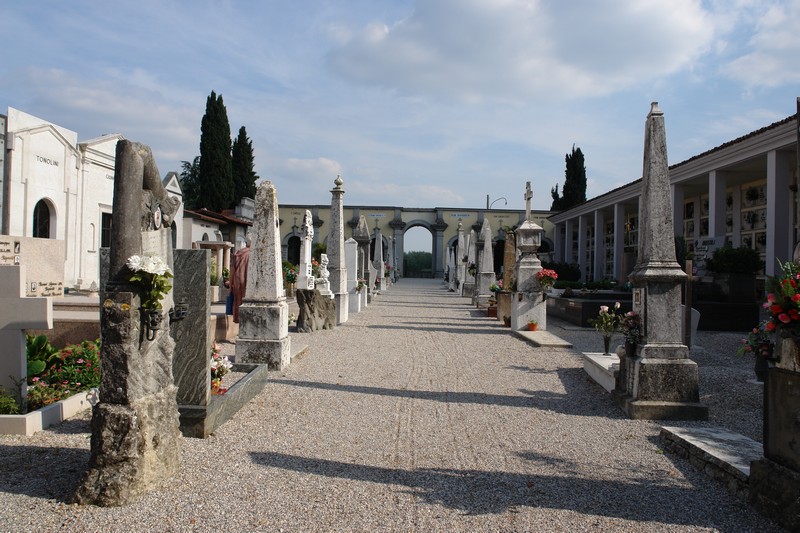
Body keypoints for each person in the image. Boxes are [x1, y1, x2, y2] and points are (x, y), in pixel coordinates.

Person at [229, 235, 251, 323]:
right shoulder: (255, 255)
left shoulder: (238, 253)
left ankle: (239, 321)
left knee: (238, 302)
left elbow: (232, 271)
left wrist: (230, 285)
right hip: (249, 283)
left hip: (238, 281)